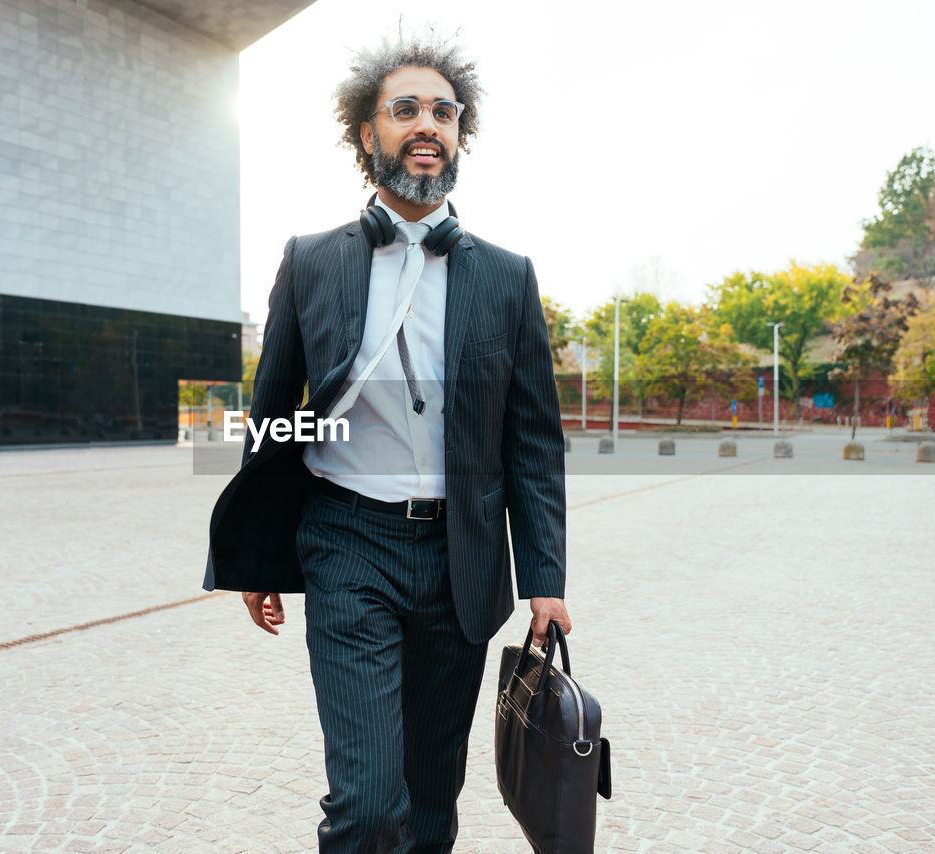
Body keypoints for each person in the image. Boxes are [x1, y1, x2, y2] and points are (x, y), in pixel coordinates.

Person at [203, 35, 570, 853]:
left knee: (433, 795)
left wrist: (545, 577)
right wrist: (260, 558)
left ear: (459, 135)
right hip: (347, 542)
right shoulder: (310, 261)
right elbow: (271, 417)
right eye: (405, 109)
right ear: (367, 135)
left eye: (444, 111)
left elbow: (534, 444)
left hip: (462, 556)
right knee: (370, 805)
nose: (427, 124)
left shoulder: (508, 278)